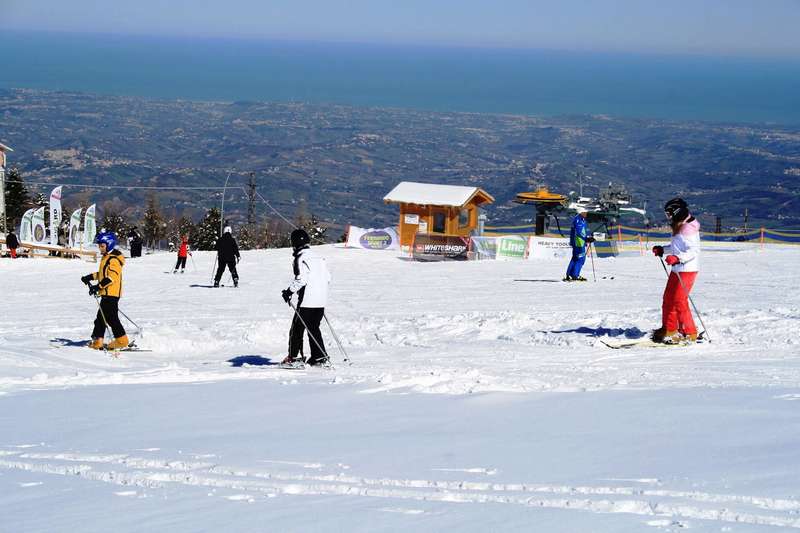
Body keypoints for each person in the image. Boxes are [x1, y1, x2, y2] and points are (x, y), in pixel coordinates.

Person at [651, 197, 701, 344]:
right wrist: (663, 249)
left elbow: (693, 250)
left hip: (687, 269)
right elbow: (677, 248)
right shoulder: (680, 225)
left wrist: (678, 258)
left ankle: (689, 332)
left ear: (677, 212)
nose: (668, 217)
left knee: (679, 301)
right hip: (677, 269)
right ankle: (670, 329)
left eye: (669, 213)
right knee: (668, 299)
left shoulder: (688, 228)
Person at [281, 229, 331, 367]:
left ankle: (293, 357)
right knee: (313, 328)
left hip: (307, 301)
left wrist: (288, 292)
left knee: (297, 328)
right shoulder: (319, 258)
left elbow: (301, 280)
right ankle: (319, 357)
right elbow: (328, 278)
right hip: (321, 300)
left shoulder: (300, 258)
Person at [81, 231, 128, 350]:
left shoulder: (114, 260)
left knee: (111, 318)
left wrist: (98, 287)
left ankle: (122, 340)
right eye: (99, 246)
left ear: (109, 245)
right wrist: (90, 277)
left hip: (112, 294)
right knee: (101, 318)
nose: (100, 248)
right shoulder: (106, 257)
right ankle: (98, 341)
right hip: (106, 294)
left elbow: (111, 278)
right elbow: (102, 274)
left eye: (102, 246)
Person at [564, 207, 595, 282]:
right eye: (585, 212)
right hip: (578, 242)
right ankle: (575, 275)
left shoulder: (580, 219)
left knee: (575, 258)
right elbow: (579, 232)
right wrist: (586, 239)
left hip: (579, 241)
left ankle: (569, 275)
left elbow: (582, 232)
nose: (586, 213)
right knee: (581, 259)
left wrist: (587, 237)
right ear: (581, 212)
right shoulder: (579, 220)